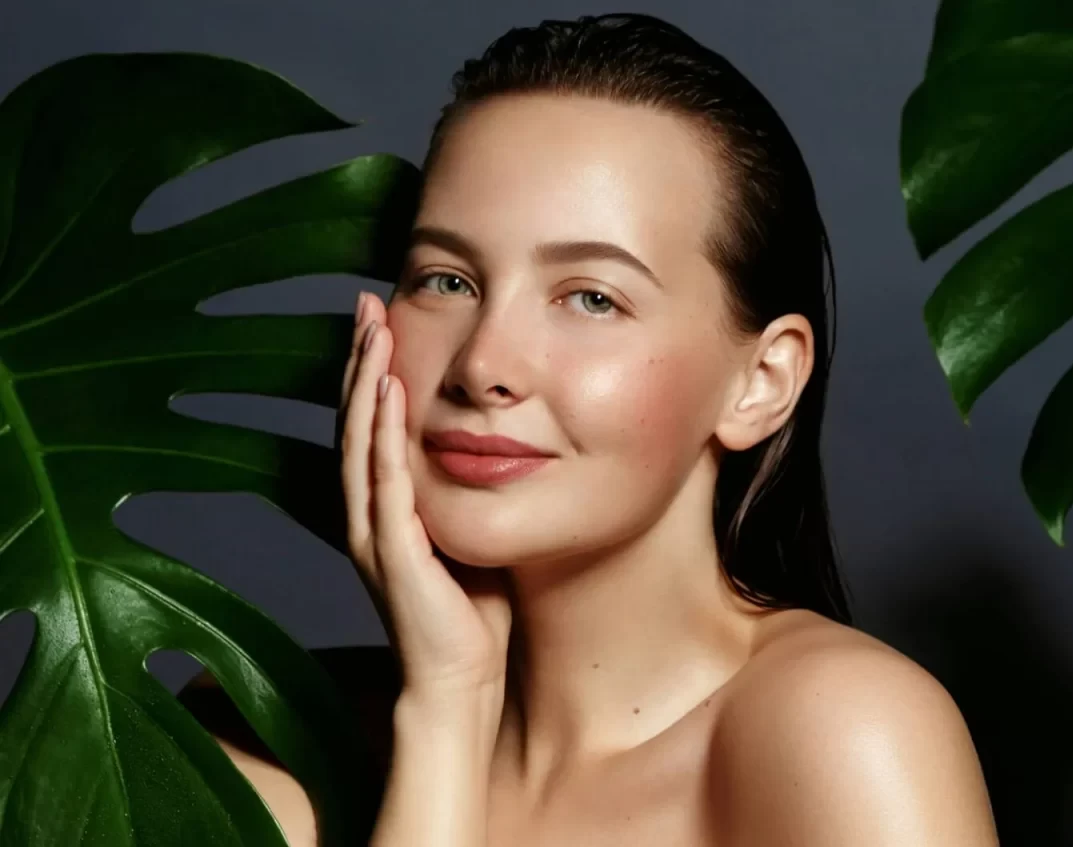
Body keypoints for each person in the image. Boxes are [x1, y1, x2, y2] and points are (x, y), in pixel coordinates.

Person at [182, 12, 998, 846]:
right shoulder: (257, 735)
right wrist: (448, 713)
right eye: (447, 280)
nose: (483, 365)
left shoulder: (844, 734)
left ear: (761, 382)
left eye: (592, 297)